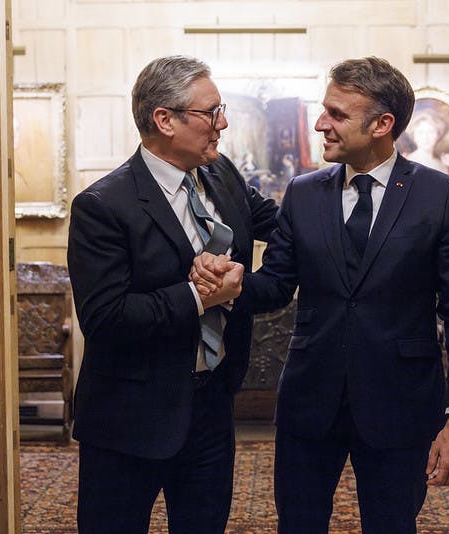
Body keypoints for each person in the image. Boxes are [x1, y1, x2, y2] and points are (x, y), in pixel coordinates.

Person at [193, 56, 449, 533]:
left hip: (402, 405)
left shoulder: (439, 195)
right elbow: (276, 285)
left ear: (382, 124)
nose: (320, 124)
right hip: (309, 402)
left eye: (337, 114)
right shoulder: (304, 193)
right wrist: (233, 283)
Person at [67, 55, 278, 534]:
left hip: (210, 409)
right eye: (211, 113)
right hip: (128, 420)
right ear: (164, 119)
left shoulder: (221, 173)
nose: (222, 123)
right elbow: (105, 318)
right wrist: (198, 296)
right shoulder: (103, 205)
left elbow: (282, 226)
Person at [403, 111, 449, 179]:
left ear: (438, 135)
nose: (426, 137)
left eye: (431, 132)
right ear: (414, 136)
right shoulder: (404, 160)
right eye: (420, 132)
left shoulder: (445, 165)